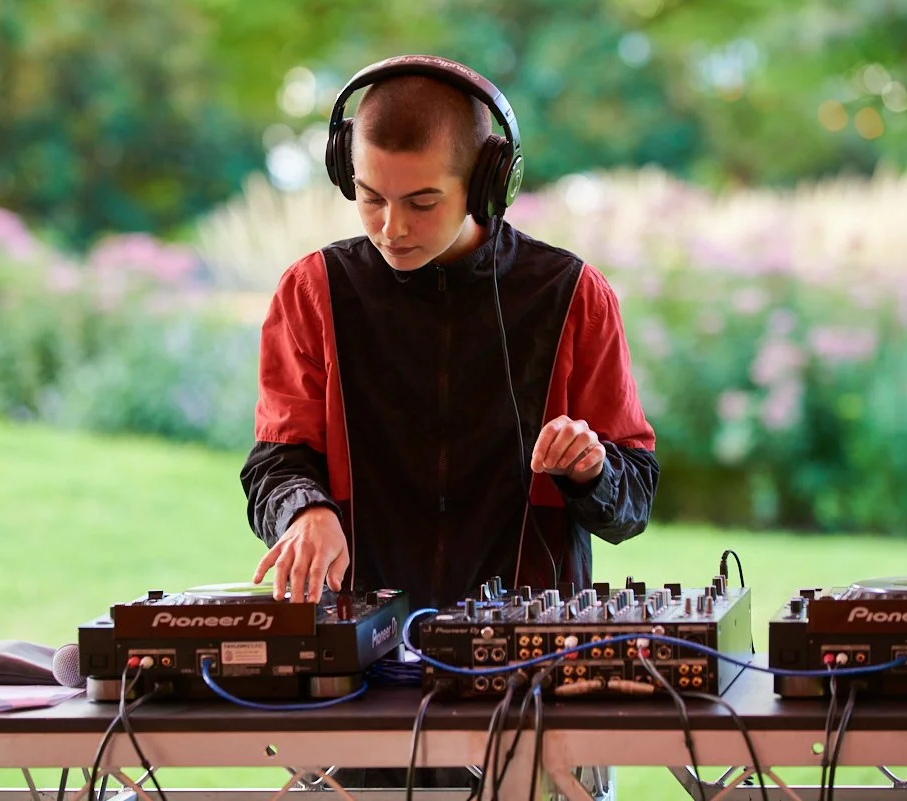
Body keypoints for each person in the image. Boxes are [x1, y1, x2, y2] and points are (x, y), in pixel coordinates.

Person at [240, 54, 659, 614]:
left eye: (422, 202)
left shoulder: (574, 295)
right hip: (360, 641)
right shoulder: (311, 292)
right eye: (371, 197)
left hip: (525, 658)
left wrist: (591, 470)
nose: (392, 227)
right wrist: (305, 511)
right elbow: (276, 461)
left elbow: (633, 502)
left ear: (486, 182)